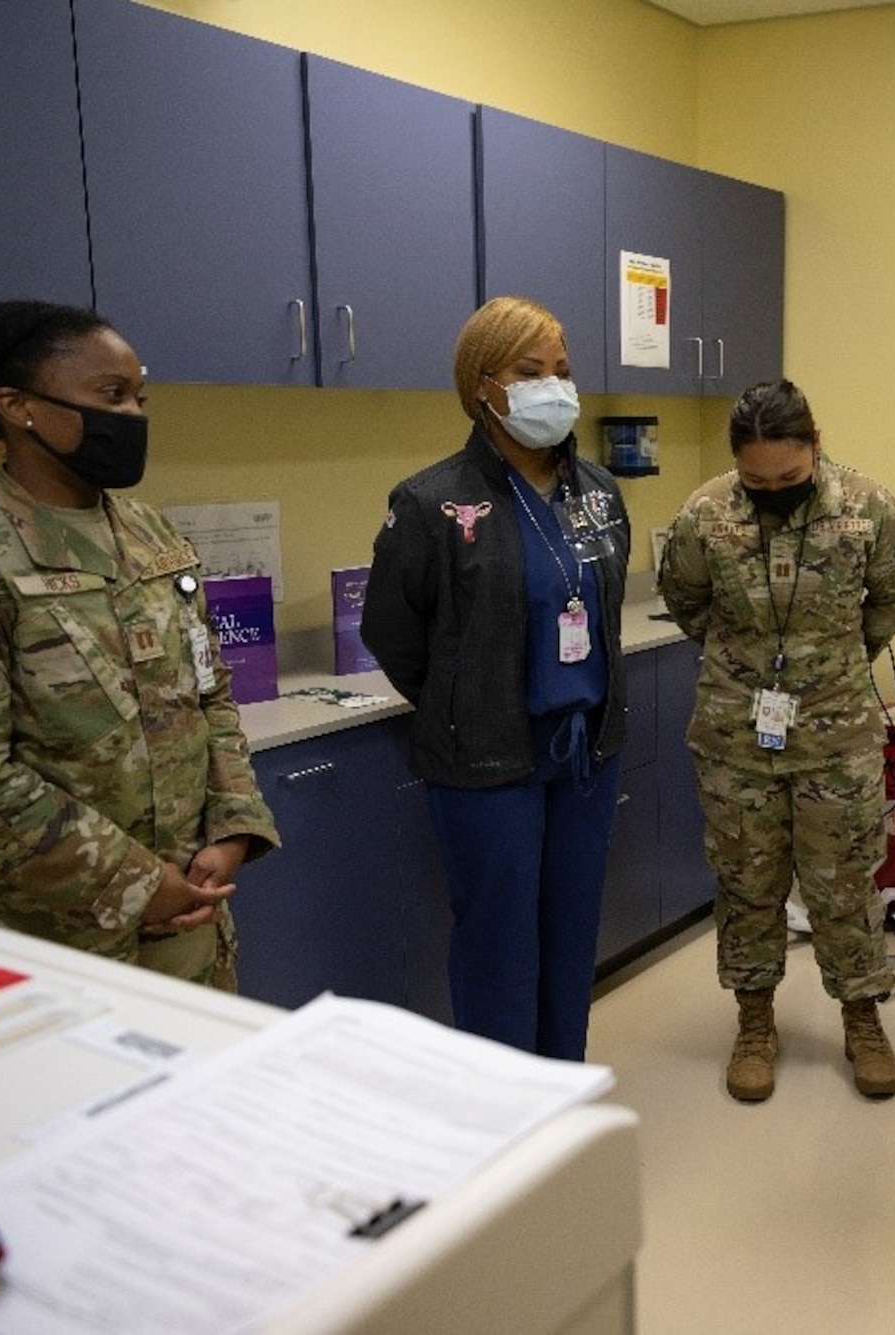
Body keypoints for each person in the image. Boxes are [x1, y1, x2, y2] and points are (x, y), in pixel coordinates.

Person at [0, 300, 278, 988]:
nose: (133, 416)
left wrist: (232, 824)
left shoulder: (154, 536)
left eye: (139, 397)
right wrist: (131, 880)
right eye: (111, 395)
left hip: (186, 925)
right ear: (17, 406)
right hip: (43, 943)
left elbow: (210, 693)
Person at [361, 295, 630, 1062]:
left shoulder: (600, 496)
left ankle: (559, 1091)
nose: (554, 387)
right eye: (530, 371)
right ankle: (503, 1112)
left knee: (571, 936)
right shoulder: (431, 503)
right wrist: (461, 698)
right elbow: (392, 631)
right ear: (484, 385)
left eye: (563, 372)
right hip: (487, 762)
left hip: (584, 755)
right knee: (499, 945)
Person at [657, 379, 895, 1102]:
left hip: (837, 738)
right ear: (735, 464)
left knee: (845, 888)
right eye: (756, 479)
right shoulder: (706, 514)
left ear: (816, 445)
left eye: (789, 477)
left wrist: (837, 656)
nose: (773, 489)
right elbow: (684, 600)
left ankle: (863, 1019)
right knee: (748, 887)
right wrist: (745, 661)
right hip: (735, 737)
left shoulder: (869, 509)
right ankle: (754, 1022)